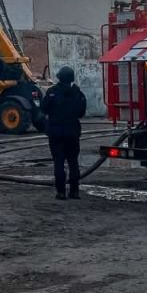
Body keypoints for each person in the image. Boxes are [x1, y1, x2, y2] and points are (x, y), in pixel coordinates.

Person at [41, 66, 87, 200]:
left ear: (59, 77)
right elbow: (81, 112)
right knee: (73, 162)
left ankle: (61, 192)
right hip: (72, 133)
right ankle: (74, 191)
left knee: (58, 162)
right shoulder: (78, 93)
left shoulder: (52, 92)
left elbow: (43, 108)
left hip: (56, 133)